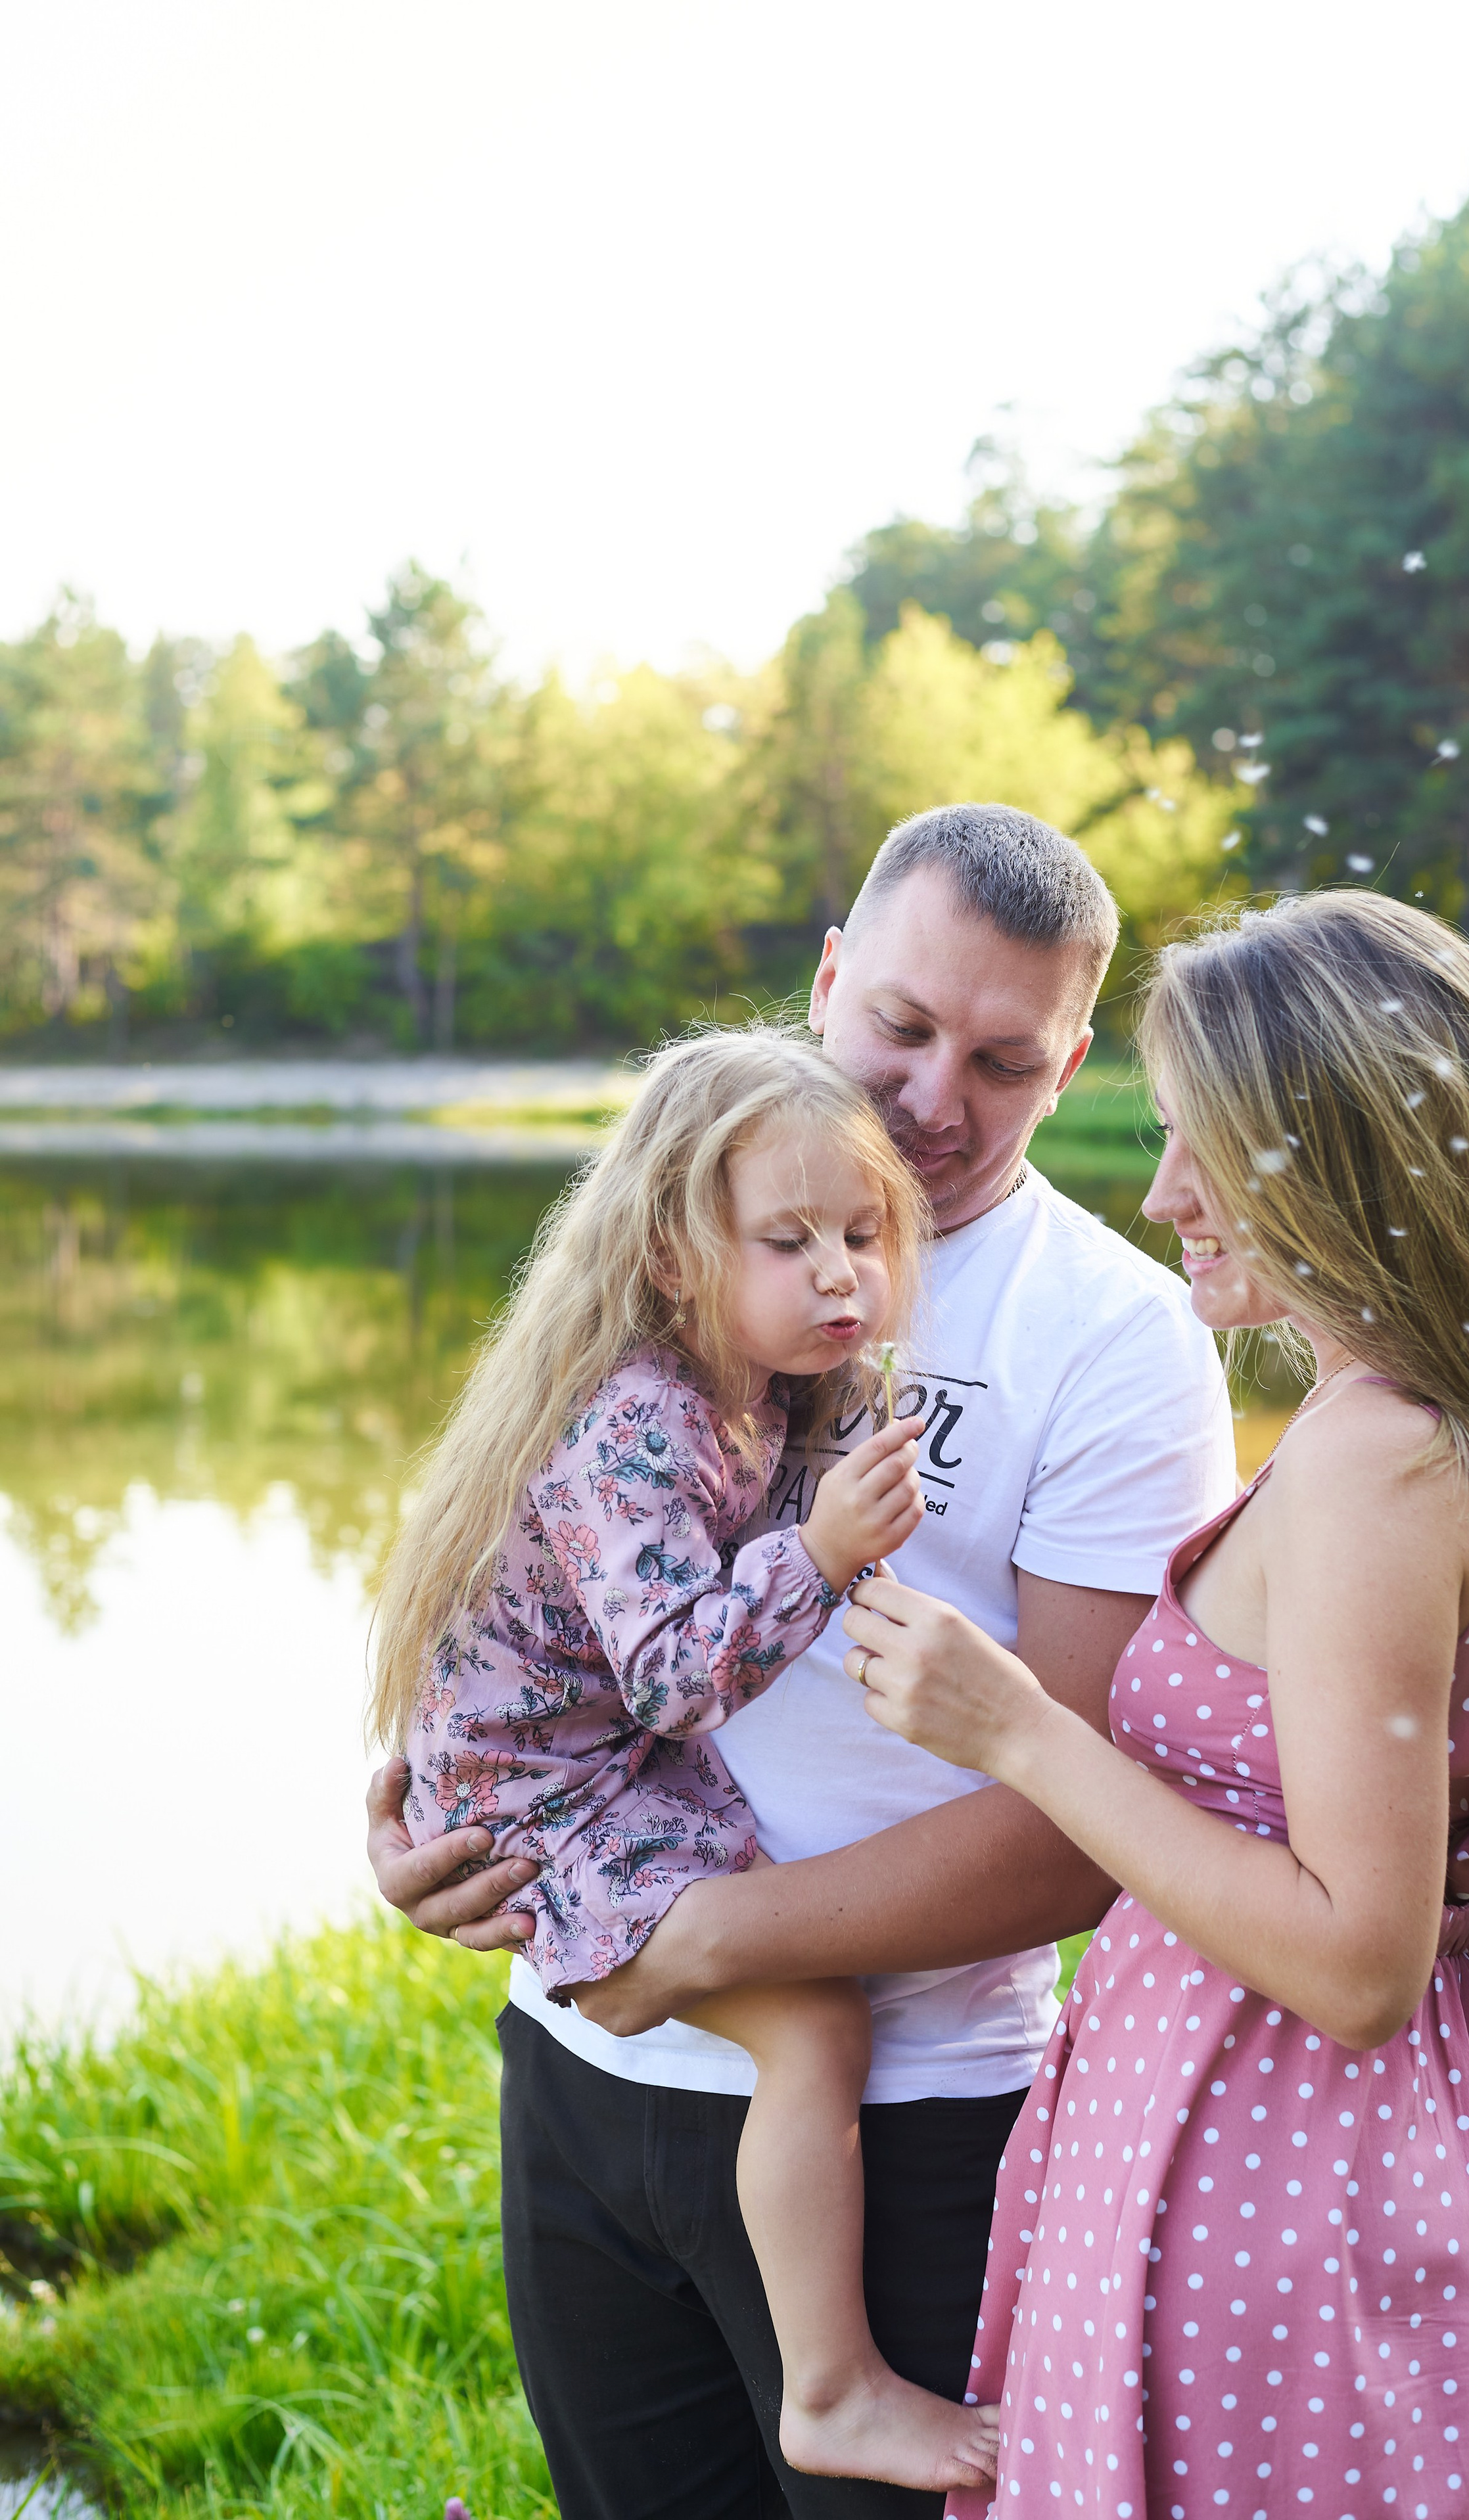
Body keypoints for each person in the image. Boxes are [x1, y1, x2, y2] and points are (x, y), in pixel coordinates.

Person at [367, 803, 1236, 2520]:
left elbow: (1085, 1824)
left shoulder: (1115, 1339)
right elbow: (530, 1579)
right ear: (828, 978)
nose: (931, 1097)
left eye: (1001, 1059)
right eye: (899, 1026)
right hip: (584, 2066)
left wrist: (713, 1938)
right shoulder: (679, 1253)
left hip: (909, 2121)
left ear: (1068, 1066)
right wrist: (434, 1818)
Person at [837, 889, 1469, 2518]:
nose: (1165, 1192)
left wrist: (1017, 1730)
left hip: (1272, 2160)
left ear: (1336, 1150)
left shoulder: (1369, 1464)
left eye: (1212, 1144)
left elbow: (1353, 1964)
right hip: (1407, 2134)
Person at [373, 1026, 1002, 2493]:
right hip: (543, 1799)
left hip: (589, 1767)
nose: (841, 1278)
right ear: (671, 1257)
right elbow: (671, 1677)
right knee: (816, 2025)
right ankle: (832, 2390)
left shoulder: (748, 1383)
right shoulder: (641, 1420)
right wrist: (821, 1551)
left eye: (863, 1236)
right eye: (790, 1243)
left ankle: (827, 2381)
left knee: (808, 2003)